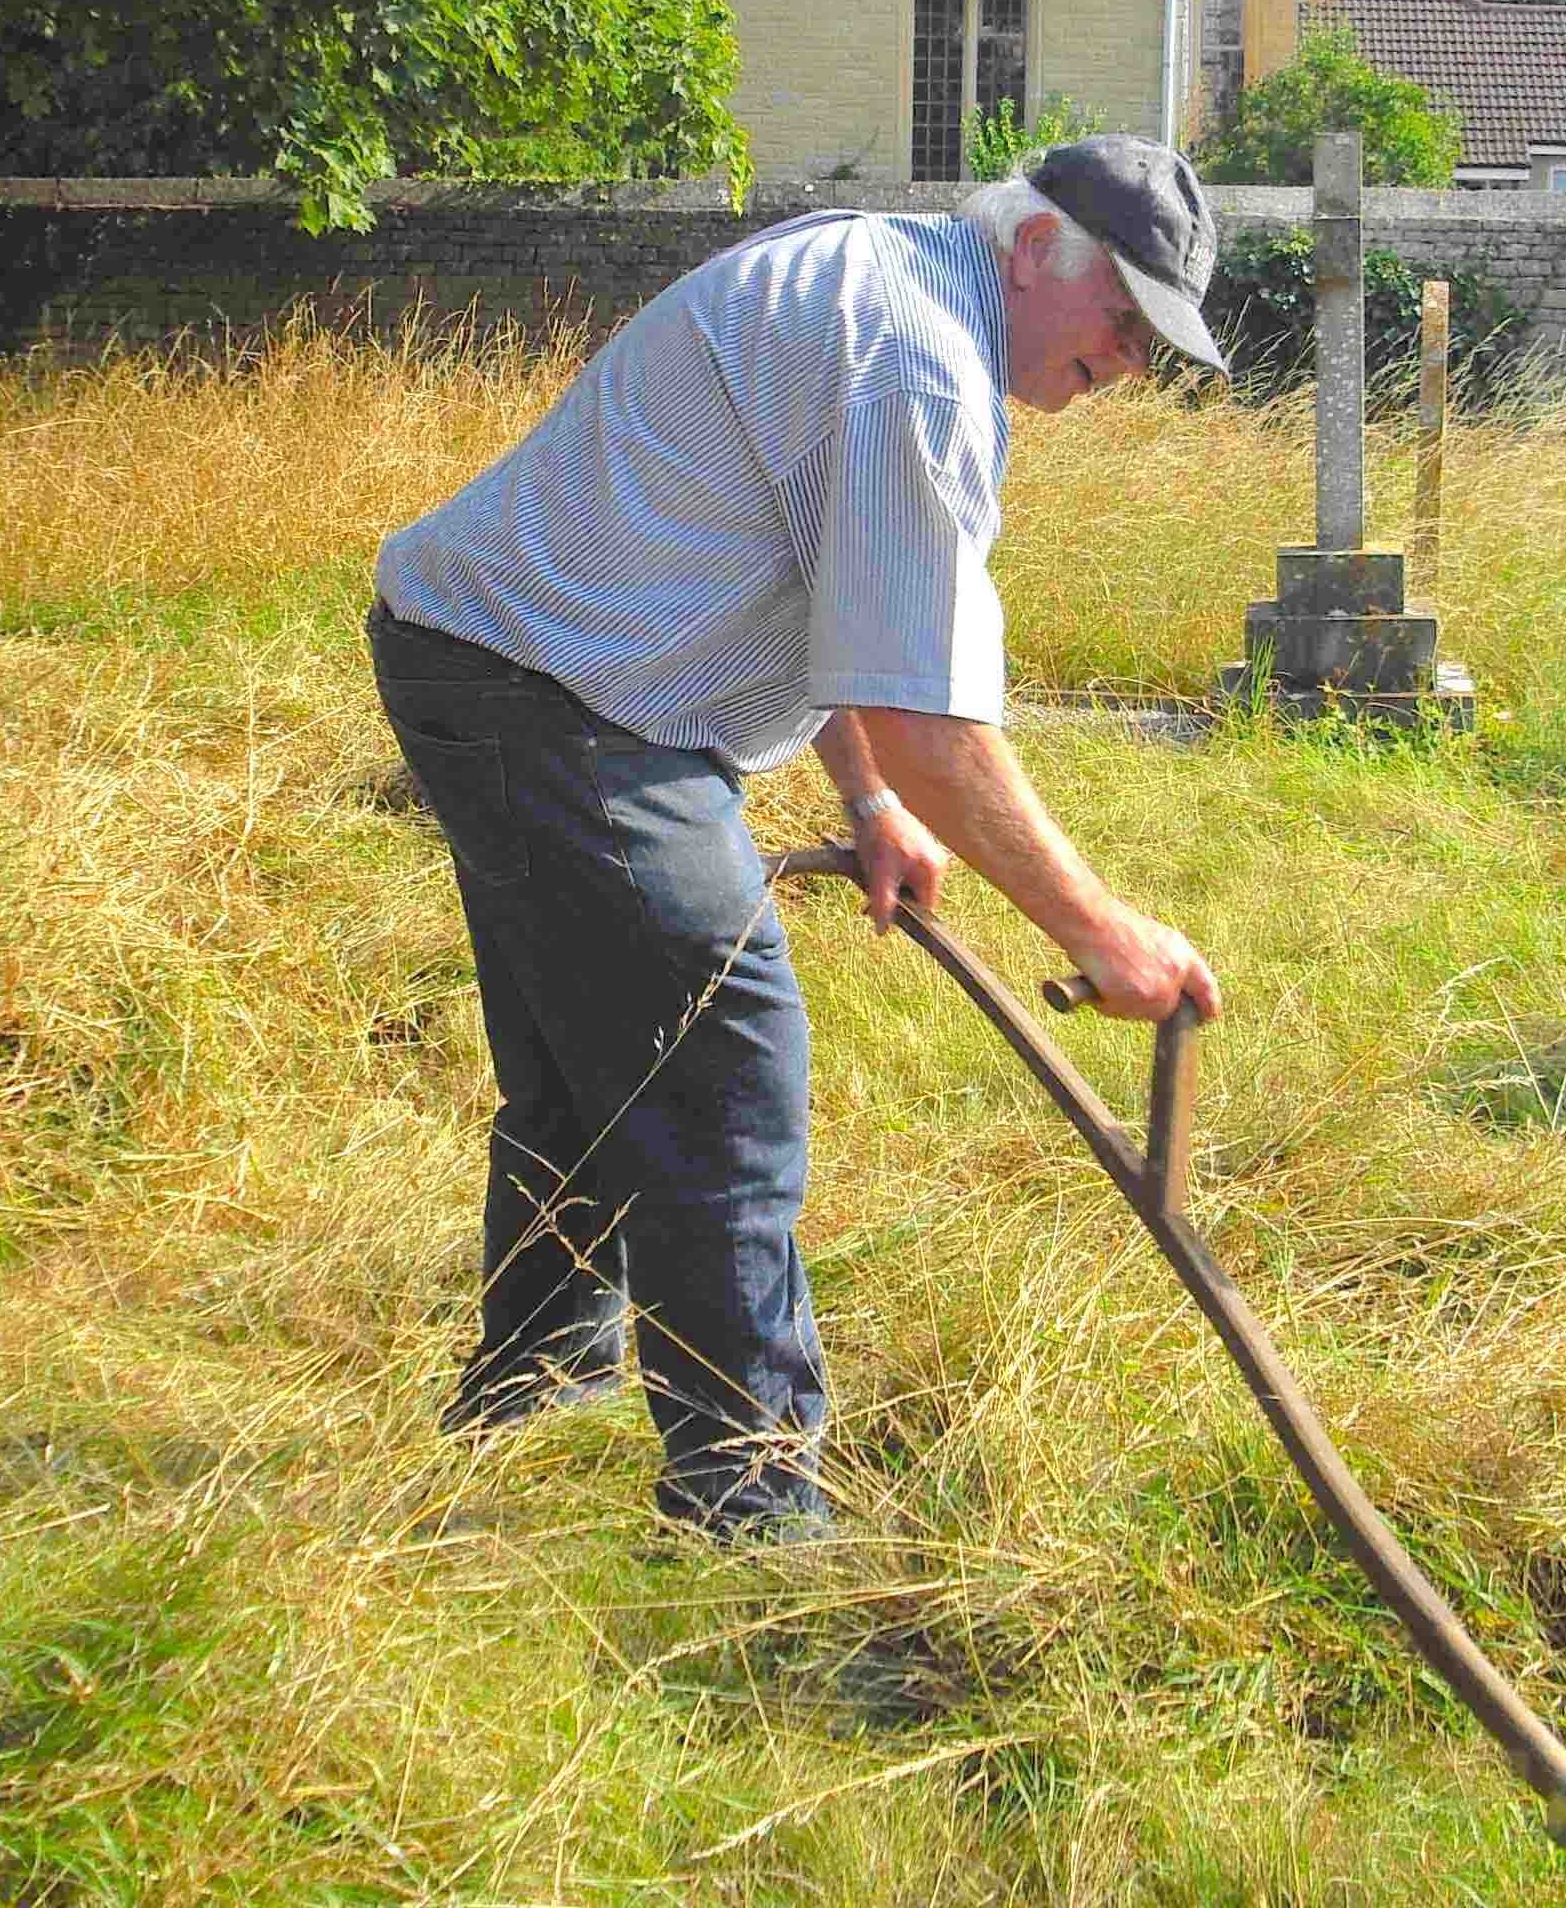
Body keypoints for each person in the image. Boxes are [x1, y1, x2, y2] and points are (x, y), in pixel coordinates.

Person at [366, 136, 1229, 1539]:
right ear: (1034, 249)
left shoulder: (894, 284)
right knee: (724, 1061)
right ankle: (750, 1502)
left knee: (595, 1063)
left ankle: (532, 1392)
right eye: (1126, 320)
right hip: (556, 693)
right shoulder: (916, 362)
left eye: (1155, 345)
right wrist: (1101, 932)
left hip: (490, 658)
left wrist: (871, 805)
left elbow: (839, 605)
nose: (1131, 363)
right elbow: (924, 712)